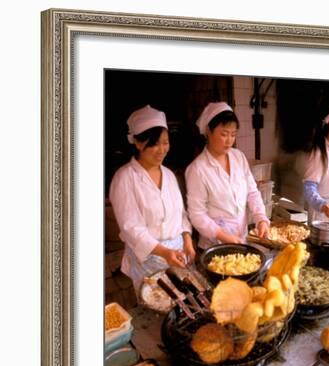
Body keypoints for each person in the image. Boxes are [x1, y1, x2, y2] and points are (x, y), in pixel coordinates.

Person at [109, 105, 195, 294]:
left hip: (178, 255)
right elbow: (131, 228)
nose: (162, 150)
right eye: (154, 143)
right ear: (138, 143)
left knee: (185, 304)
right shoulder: (125, 178)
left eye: (165, 142)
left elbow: (180, 214)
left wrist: (187, 239)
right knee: (156, 307)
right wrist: (164, 252)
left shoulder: (170, 175)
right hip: (148, 259)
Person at [185, 102, 270, 250]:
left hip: (240, 239)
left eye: (233, 134)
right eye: (224, 134)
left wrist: (261, 219)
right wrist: (223, 236)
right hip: (214, 246)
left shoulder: (238, 157)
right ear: (208, 131)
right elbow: (197, 214)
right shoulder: (197, 170)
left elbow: (252, 192)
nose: (229, 140)